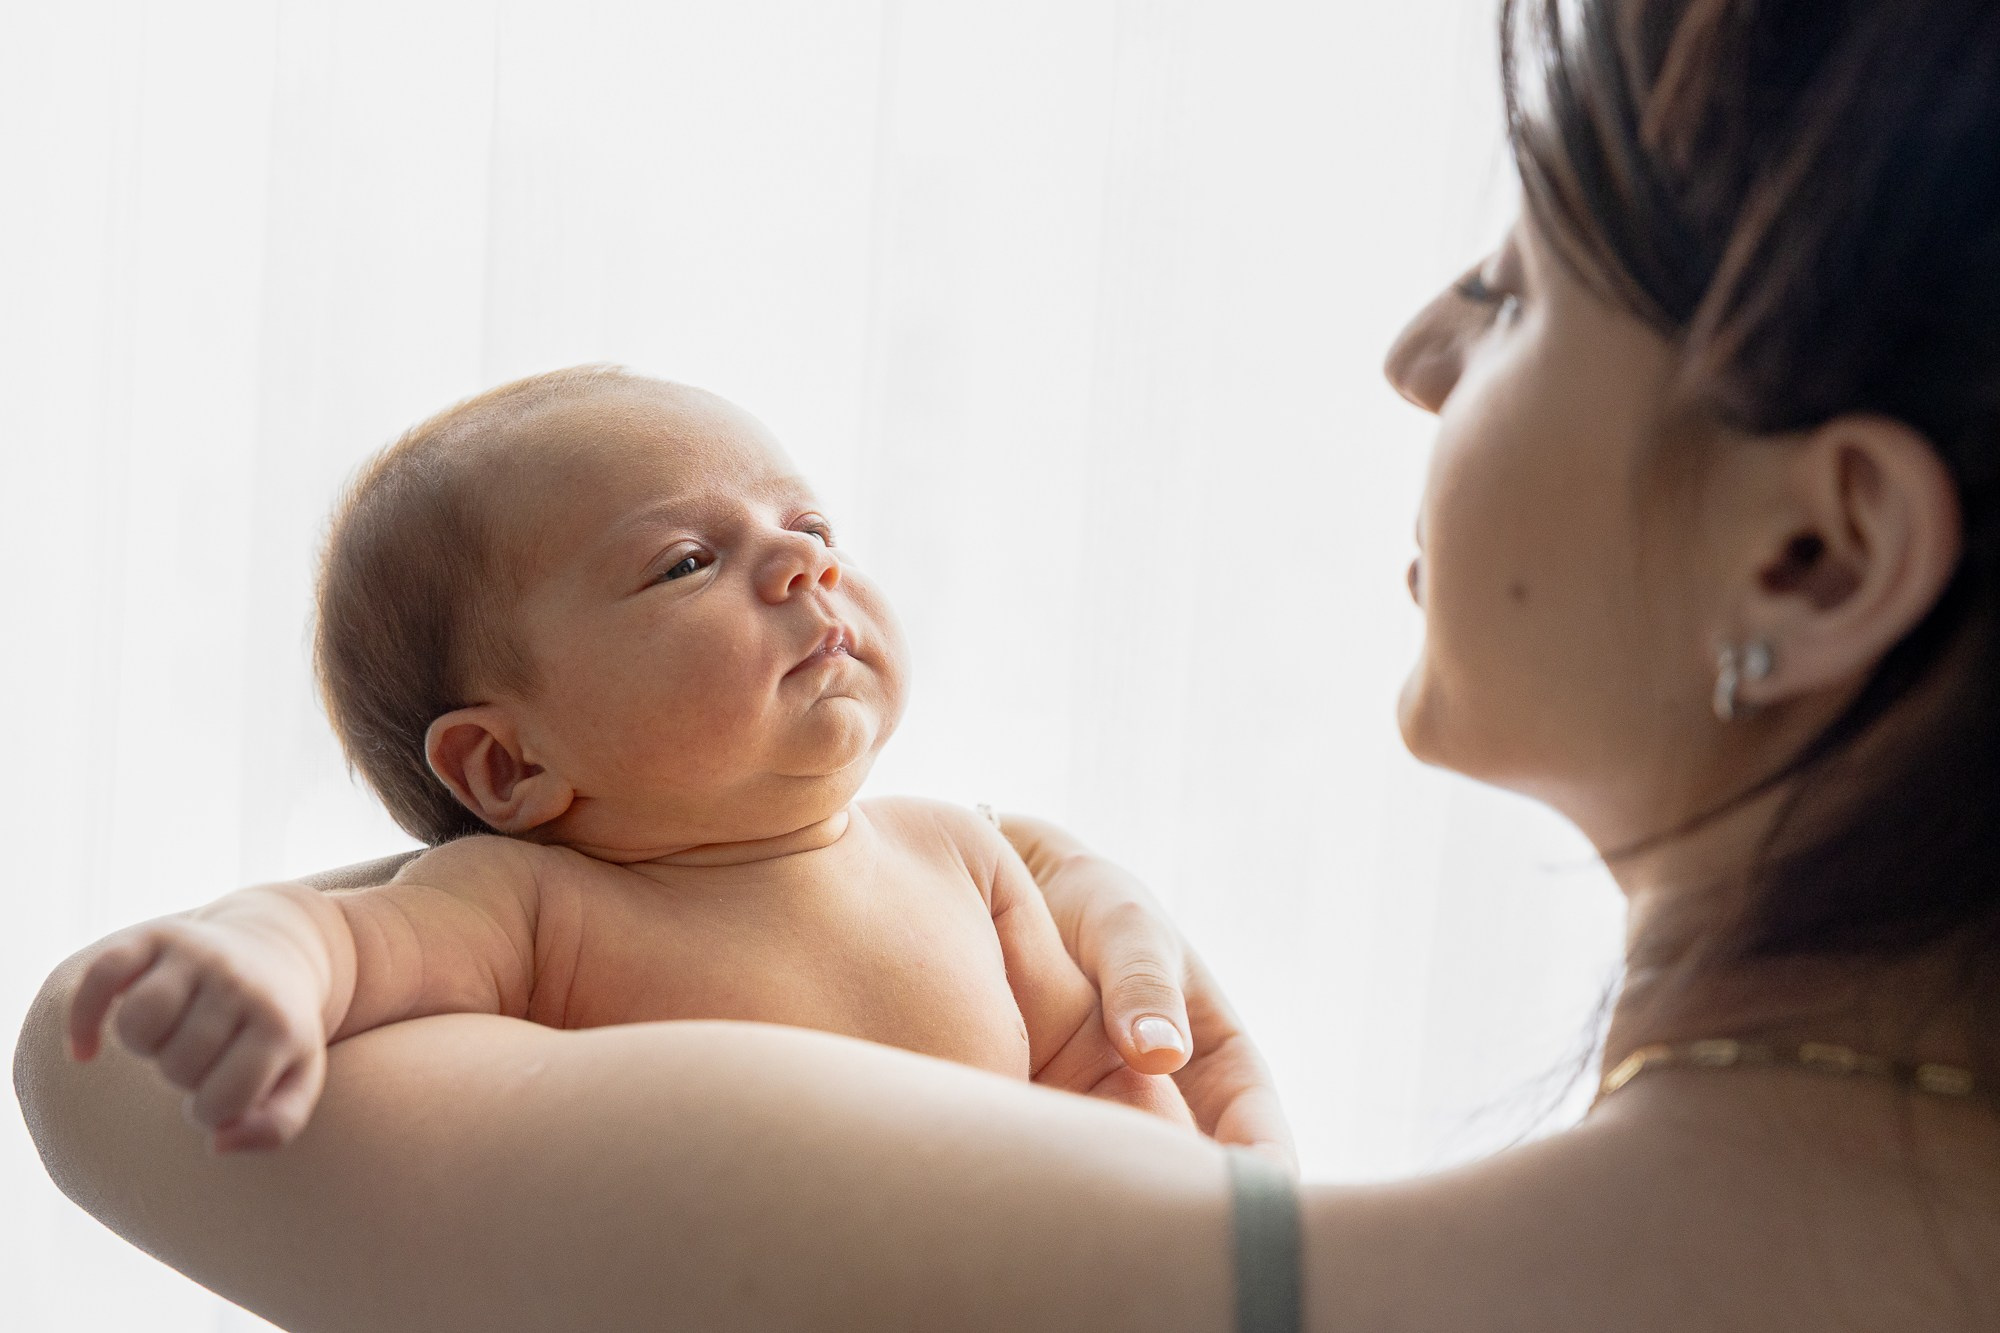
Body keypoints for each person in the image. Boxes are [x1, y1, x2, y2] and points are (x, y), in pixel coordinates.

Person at [17, 0, 2000, 1327]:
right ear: (502, 759)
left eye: (1512, 292)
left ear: (1814, 552)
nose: (1413, 350)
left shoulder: (1191, 1281)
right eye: (697, 560)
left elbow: (101, 1065)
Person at [57, 370, 1189, 1155]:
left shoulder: (955, 856)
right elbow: (344, 939)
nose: (804, 562)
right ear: (506, 766)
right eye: (688, 561)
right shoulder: (538, 907)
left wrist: (1183, 1236)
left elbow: (1095, 1073)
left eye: (812, 525)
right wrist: (257, 972)